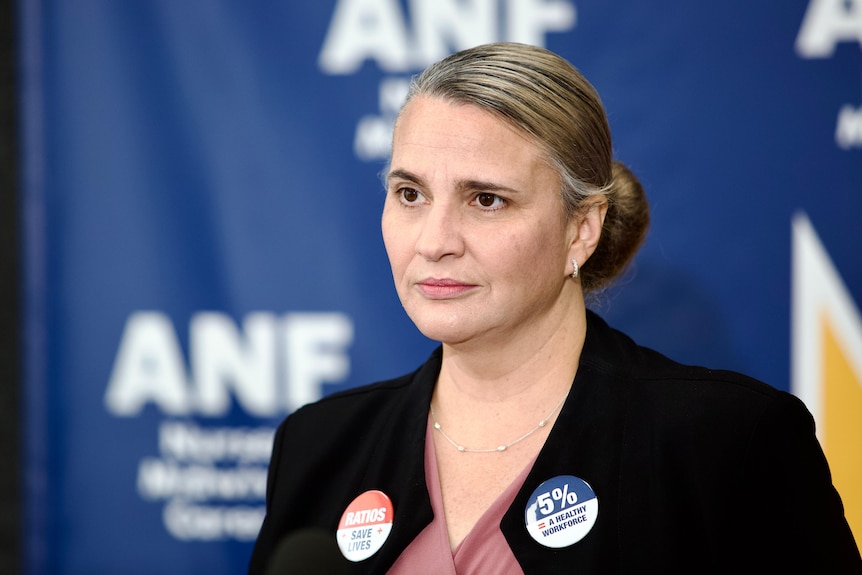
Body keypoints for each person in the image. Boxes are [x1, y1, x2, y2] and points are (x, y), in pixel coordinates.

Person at [248, 42, 861, 574]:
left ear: (581, 230)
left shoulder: (729, 442)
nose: (434, 241)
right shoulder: (318, 444)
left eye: (486, 200)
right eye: (410, 194)